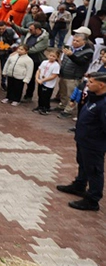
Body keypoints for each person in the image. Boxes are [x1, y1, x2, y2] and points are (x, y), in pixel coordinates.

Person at [56, 71, 106, 211]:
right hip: (84, 140)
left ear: (101, 85)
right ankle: (79, 185)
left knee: (95, 171)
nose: (87, 85)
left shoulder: (103, 104)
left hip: (94, 144)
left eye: (91, 82)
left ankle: (92, 200)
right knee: (83, 164)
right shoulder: (94, 98)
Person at [57, 31, 95, 118]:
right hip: (64, 74)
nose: (74, 42)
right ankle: (62, 105)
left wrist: (71, 55)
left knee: (71, 95)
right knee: (63, 92)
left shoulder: (88, 52)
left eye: (77, 41)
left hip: (74, 77)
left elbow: (81, 62)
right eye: (74, 40)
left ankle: (68, 111)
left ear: (84, 42)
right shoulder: (70, 48)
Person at [33, 48, 61, 115]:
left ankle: (46, 108)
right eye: (50, 55)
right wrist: (37, 78)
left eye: (54, 56)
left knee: (46, 96)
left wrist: (43, 80)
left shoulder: (56, 65)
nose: (51, 57)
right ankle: (40, 106)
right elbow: (39, 70)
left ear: (57, 57)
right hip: (41, 82)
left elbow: (54, 75)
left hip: (48, 84)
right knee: (40, 94)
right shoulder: (44, 62)